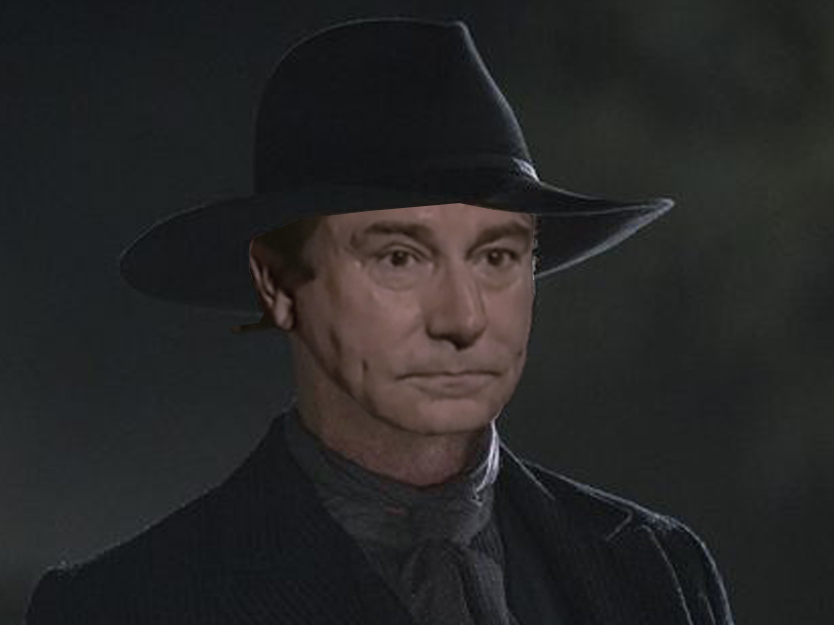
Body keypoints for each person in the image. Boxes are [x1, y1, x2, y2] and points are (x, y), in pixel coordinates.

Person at [26, 17, 734, 625]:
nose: (462, 317)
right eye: (399, 257)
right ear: (278, 282)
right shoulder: (129, 604)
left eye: (496, 256)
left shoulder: (655, 571)